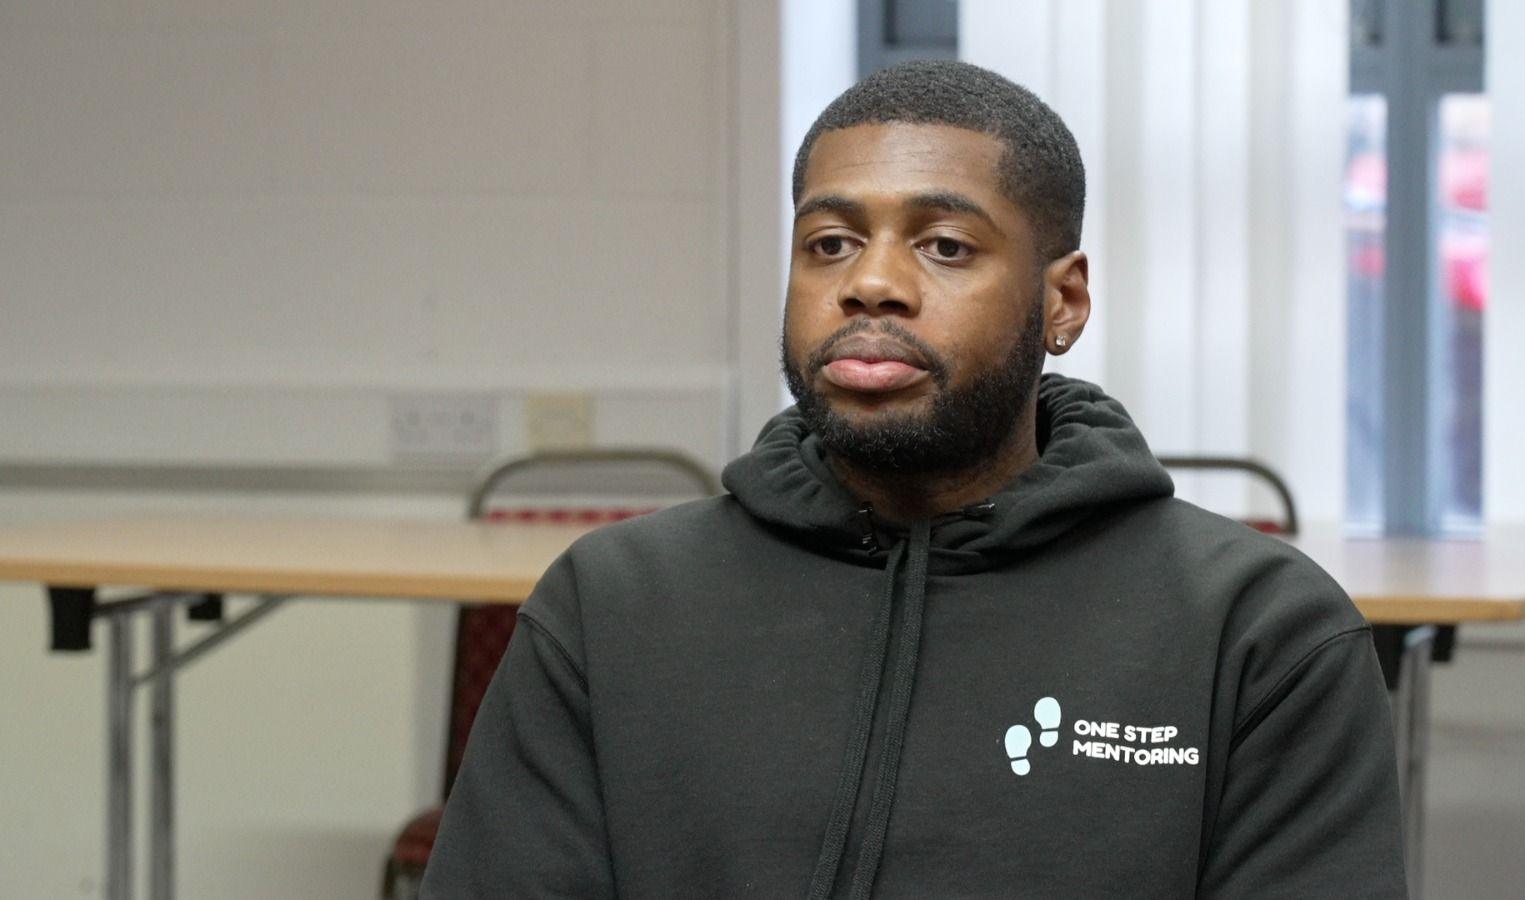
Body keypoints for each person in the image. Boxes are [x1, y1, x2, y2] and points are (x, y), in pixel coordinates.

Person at [422, 60, 1406, 898]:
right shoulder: (612, 604)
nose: (870, 283)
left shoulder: (1258, 631)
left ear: (1061, 301)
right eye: (829, 243)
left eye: (944, 245)